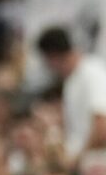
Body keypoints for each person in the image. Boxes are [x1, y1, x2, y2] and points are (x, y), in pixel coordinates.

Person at [37, 27, 106, 160]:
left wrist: (78, 160)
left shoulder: (91, 72)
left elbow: (102, 125)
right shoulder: (71, 81)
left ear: (53, 56)